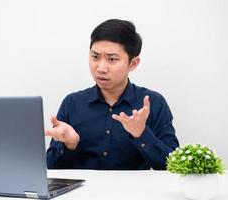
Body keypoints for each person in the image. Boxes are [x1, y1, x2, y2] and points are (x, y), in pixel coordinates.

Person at [45, 19, 179, 170]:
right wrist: (70, 145)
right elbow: (51, 169)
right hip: (83, 193)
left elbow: (173, 166)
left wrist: (141, 134)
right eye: (95, 57)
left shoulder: (153, 102)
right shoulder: (73, 103)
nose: (101, 68)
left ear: (133, 63)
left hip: (135, 192)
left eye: (112, 59)